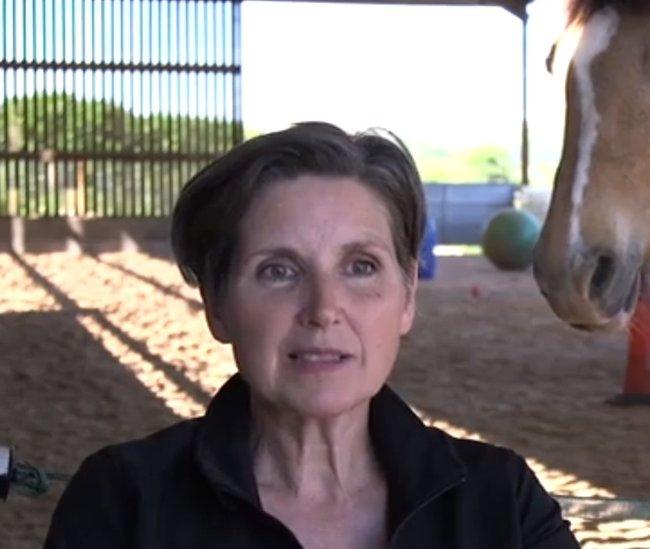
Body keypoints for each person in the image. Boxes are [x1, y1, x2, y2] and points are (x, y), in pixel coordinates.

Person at [44, 122, 579, 549]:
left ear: (408, 295)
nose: (324, 310)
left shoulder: (501, 503)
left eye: (361, 266)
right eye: (279, 270)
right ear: (217, 304)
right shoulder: (122, 503)